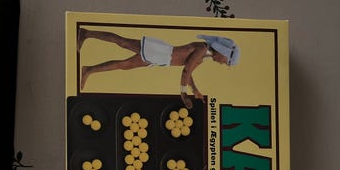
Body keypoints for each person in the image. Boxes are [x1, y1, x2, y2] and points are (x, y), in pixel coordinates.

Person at [78, 27, 240, 109]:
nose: (222, 64)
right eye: (226, 62)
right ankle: (86, 34)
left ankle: (88, 70)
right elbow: (186, 71)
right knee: (123, 43)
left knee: (124, 64)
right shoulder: (201, 49)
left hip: (160, 58)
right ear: (223, 52)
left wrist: (195, 90)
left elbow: (188, 72)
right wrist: (183, 93)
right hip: (159, 52)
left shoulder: (203, 56)